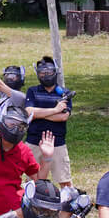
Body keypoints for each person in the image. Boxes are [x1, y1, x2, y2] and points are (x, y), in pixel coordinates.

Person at [25, 56, 73, 189]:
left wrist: (39, 114)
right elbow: (29, 112)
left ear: (55, 71)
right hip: (34, 141)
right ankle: (32, 208)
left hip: (57, 142)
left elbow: (63, 117)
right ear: (37, 73)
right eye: (42, 72)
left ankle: (67, 207)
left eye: (49, 72)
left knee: (65, 181)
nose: (46, 75)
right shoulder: (32, 91)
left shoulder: (64, 93)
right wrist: (55, 110)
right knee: (32, 181)